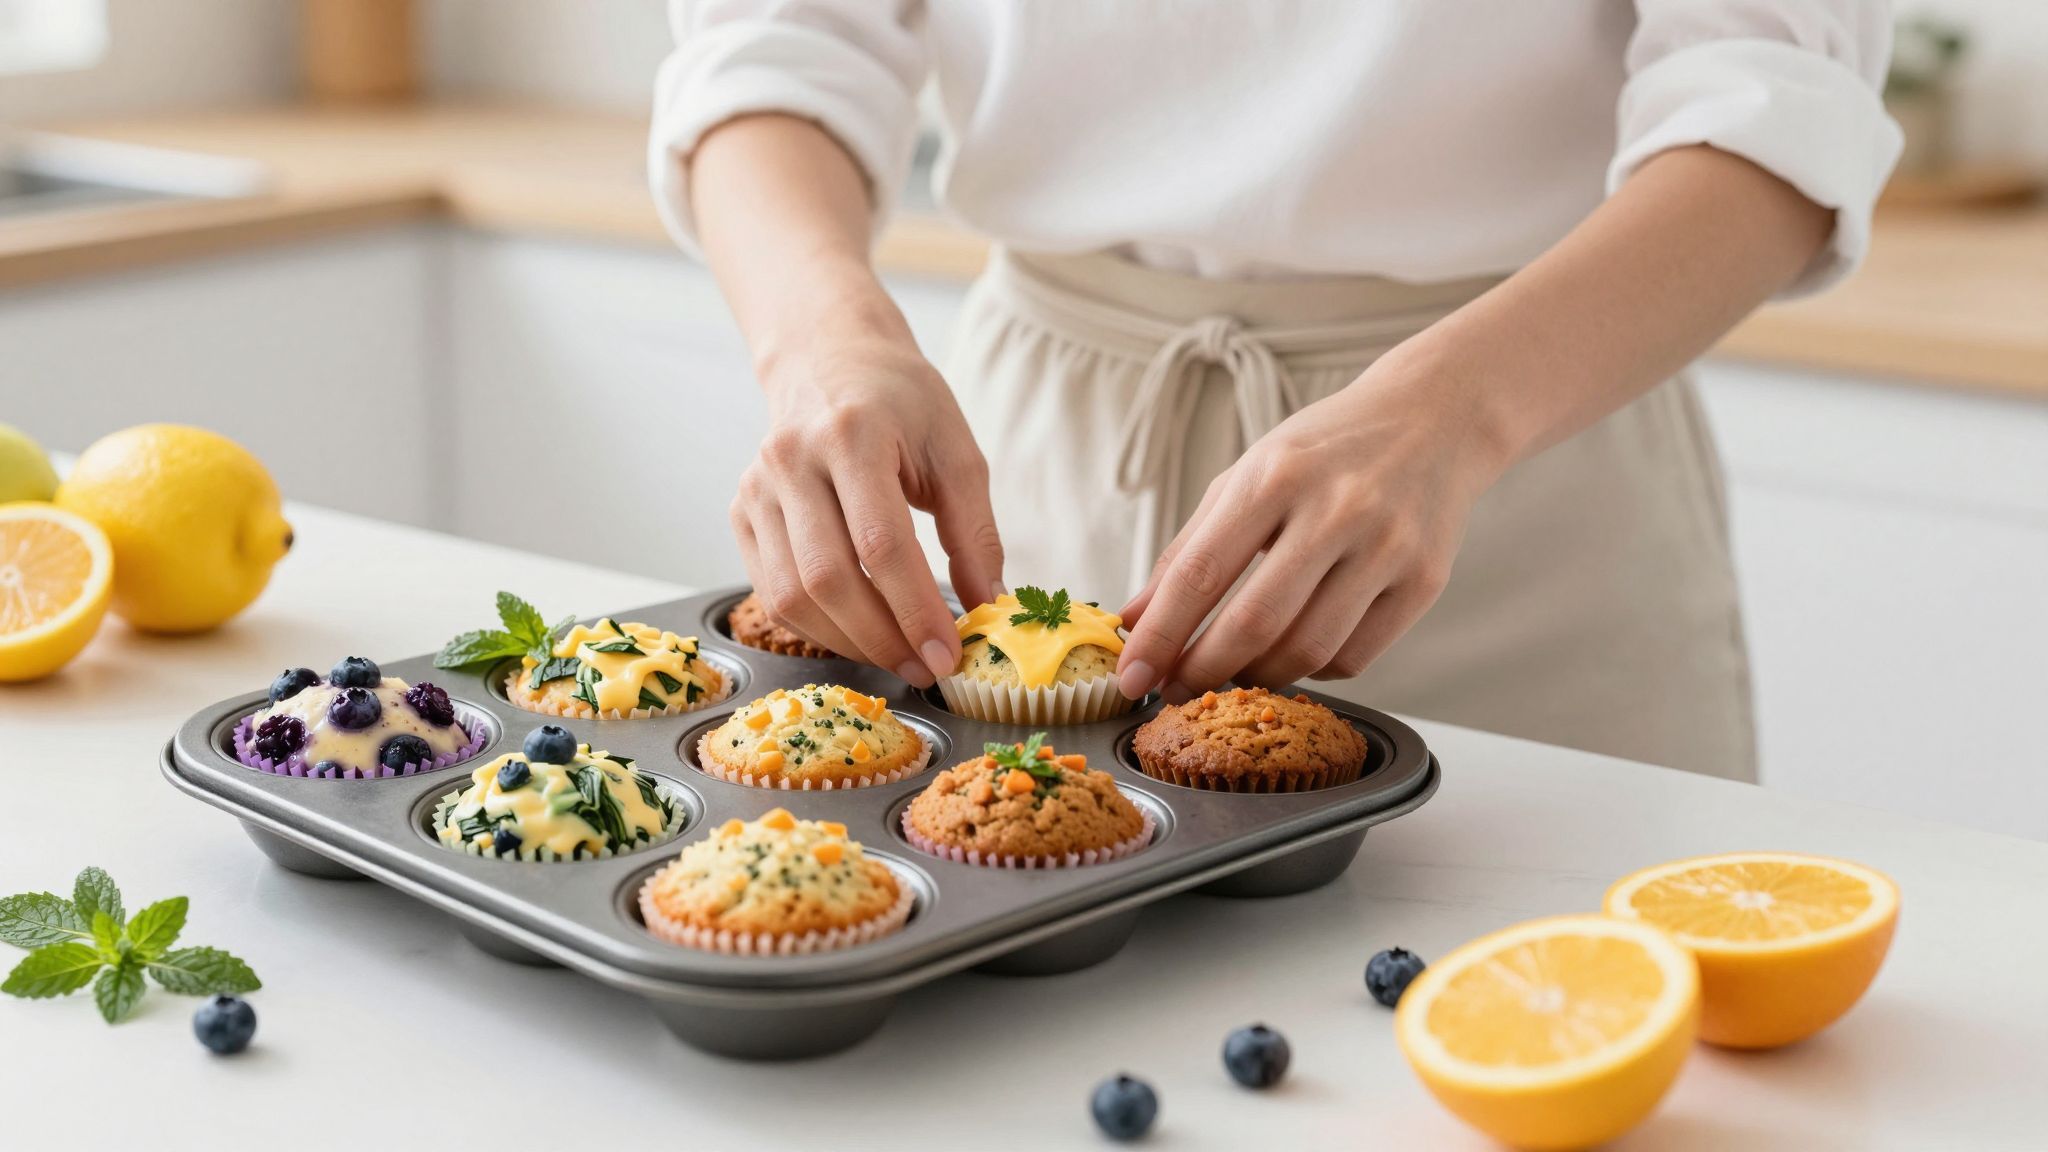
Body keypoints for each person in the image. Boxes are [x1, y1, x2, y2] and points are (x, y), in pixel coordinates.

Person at [649, 2, 1900, 781]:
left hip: (1518, 451)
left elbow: (1774, 108)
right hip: (1029, 472)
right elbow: (774, 43)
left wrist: (1455, 413)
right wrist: (819, 340)